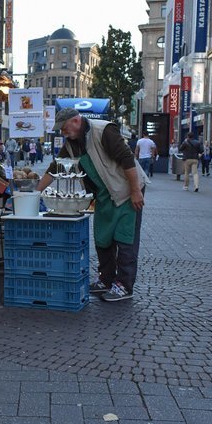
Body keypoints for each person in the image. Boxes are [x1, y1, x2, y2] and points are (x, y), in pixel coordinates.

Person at [38, 108, 148, 302]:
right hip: (104, 195)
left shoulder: (103, 130)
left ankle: (124, 285)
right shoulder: (71, 144)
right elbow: (55, 167)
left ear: (76, 121)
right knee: (102, 238)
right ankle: (106, 279)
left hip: (126, 191)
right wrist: (34, 193)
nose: (63, 133)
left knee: (125, 238)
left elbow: (126, 158)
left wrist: (136, 191)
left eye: (64, 128)